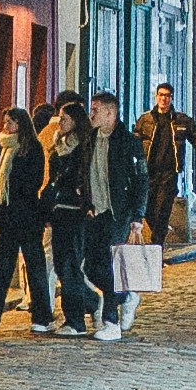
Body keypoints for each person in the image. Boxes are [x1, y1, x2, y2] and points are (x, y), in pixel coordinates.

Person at [0, 101, 54, 334]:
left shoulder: (33, 149)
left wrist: (16, 207)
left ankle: (42, 317)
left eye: (10, 122)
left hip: (28, 217)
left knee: (35, 267)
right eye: (5, 122)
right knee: (2, 268)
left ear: (21, 124)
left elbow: (31, 183)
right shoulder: (7, 148)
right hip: (8, 219)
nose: (5, 125)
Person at [81, 88, 146, 339]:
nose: (92, 114)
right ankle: (126, 295)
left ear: (110, 113)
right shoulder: (90, 139)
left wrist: (137, 217)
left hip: (118, 213)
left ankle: (111, 322)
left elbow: (141, 181)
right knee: (91, 267)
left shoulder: (128, 142)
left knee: (111, 266)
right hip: (94, 212)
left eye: (96, 110)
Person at [40, 97, 97, 334]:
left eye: (64, 119)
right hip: (58, 211)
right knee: (62, 267)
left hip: (76, 211)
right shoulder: (57, 145)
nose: (59, 122)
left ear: (75, 121)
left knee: (70, 265)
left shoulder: (84, 146)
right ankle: (94, 302)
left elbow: (85, 178)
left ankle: (75, 321)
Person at [135, 83, 187, 246]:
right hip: (149, 171)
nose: (163, 98)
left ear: (171, 98)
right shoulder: (146, 119)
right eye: (160, 95)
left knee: (162, 209)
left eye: (167, 95)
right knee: (149, 209)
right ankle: (157, 236)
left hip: (169, 172)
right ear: (156, 96)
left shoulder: (180, 120)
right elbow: (135, 140)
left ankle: (157, 246)